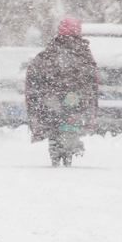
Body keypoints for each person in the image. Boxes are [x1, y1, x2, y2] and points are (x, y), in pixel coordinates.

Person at [25, 16, 99, 166]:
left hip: (54, 95)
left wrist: (37, 91)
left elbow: (35, 71)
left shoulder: (52, 50)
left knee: (52, 120)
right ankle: (71, 144)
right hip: (79, 97)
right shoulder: (84, 52)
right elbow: (93, 78)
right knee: (75, 116)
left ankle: (54, 143)